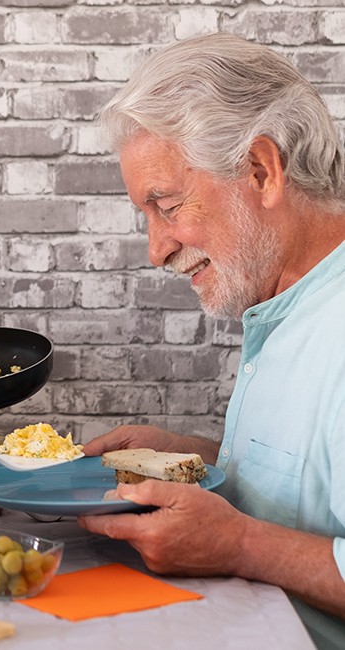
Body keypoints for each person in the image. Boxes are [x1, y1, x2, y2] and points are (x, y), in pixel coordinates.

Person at [76, 32, 345, 649]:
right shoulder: (285, 304)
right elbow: (316, 494)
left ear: (261, 171)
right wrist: (196, 457)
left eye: (166, 205)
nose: (156, 248)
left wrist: (242, 543)